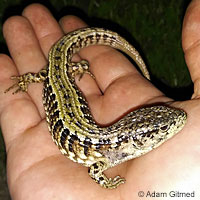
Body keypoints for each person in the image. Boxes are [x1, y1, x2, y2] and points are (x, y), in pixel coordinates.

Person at [0, 1, 200, 199]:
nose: (180, 118)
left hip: (65, 85)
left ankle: (80, 66)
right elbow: (94, 172)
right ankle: (63, 70)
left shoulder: (108, 149)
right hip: (55, 81)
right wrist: (107, 184)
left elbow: (95, 169)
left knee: (64, 69)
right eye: (164, 129)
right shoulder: (105, 155)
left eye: (164, 126)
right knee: (48, 74)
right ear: (139, 140)